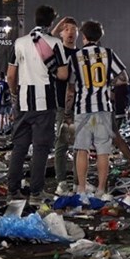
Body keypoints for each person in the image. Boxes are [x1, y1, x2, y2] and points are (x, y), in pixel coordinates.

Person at [6, 5, 68, 206]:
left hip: (24, 100)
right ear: (51, 21)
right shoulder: (55, 43)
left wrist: (15, 94)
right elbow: (63, 74)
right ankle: (35, 192)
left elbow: (11, 75)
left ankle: (13, 190)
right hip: (45, 101)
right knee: (41, 148)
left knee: (19, 147)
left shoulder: (20, 42)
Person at [64, 20, 127, 199]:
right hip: (103, 108)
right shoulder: (108, 54)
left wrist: (68, 109)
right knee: (103, 150)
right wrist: (108, 84)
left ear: (83, 36)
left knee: (82, 149)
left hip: (83, 108)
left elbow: (70, 86)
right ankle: (101, 189)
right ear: (99, 37)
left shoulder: (75, 57)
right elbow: (123, 77)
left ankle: (82, 188)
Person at [51, 17, 79, 190]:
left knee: (79, 144)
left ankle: (78, 181)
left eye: (73, 29)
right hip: (61, 104)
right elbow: (46, 42)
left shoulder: (80, 54)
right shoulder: (56, 52)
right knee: (61, 143)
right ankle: (61, 180)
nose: (70, 32)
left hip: (79, 105)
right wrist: (57, 26)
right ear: (61, 33)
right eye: (67, 29)